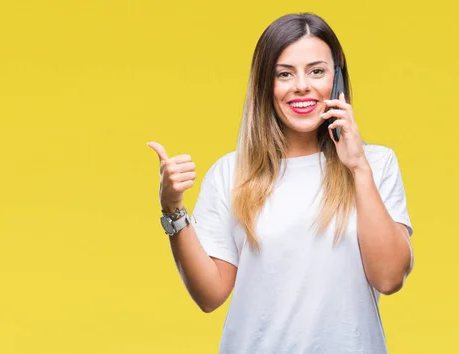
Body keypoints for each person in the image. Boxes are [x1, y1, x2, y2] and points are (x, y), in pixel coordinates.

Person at [147, 12, 414, 354]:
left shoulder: (376, 163)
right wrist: (173, 209)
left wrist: (358, 166)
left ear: (337, 79)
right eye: (284, 74)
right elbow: (210, 295)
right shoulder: (231, 173)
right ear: (265, 85)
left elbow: (390, 278)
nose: (302, 85)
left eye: (317, 71)